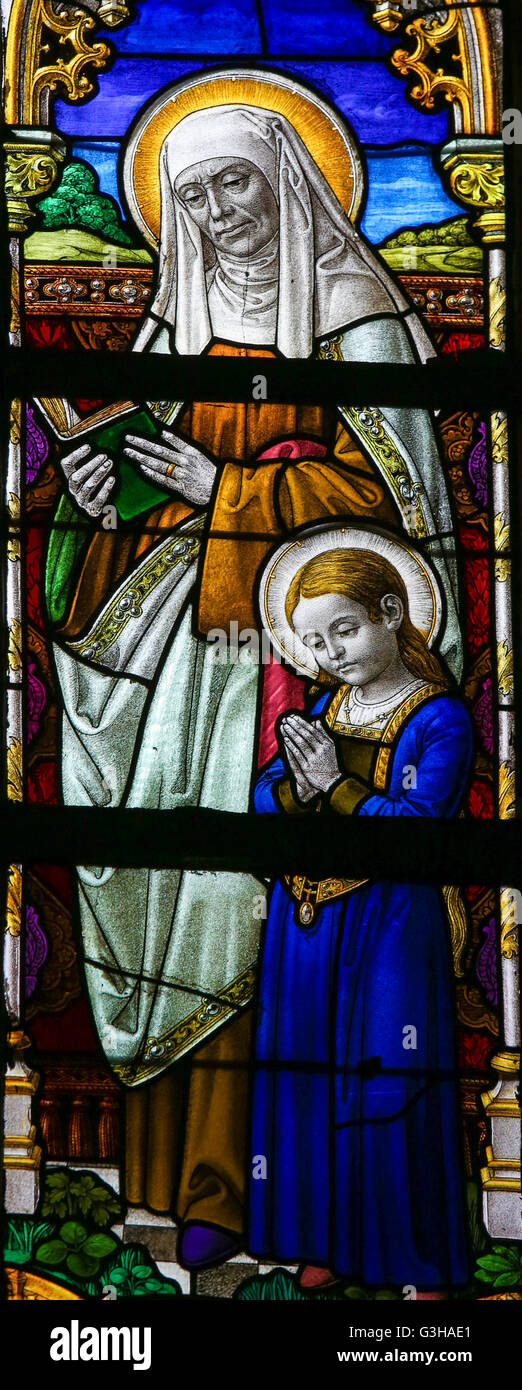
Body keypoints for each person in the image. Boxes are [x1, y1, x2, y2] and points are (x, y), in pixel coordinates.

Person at [46, 96, 461, 1271]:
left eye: (234, 184)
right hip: (181, 664)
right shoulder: (174, 321)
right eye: (192, 195)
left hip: (297, 672)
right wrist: (96, 499)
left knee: (246, 905)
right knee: (173, 892)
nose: (217, 213)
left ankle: (248, 1196)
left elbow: (402, 523)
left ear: (287, 180)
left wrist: (225, 486)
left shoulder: (361, 324)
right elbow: (126, 489)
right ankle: (165, 1178)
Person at [249, 526, 472, 1294]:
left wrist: (334, 792)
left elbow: (419, 828)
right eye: (315, 641)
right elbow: (262, 797)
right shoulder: (325, 703)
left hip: (389, 924)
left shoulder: (439, 717)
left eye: (344, 630)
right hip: (307, 927)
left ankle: (418, 1261)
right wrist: (291, 788)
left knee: (389, 1080)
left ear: (390, 612)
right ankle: (326, 1243)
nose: (332, 652)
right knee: (310, 1082)